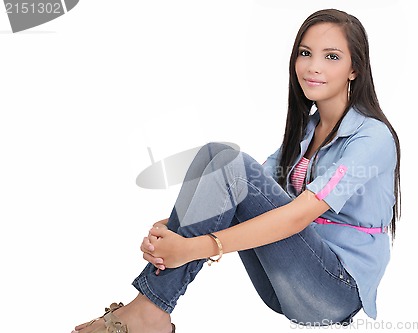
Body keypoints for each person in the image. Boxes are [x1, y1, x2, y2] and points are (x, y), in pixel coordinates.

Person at [73, 8, 401, 333]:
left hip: (333, 291)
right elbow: (229, 194)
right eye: (305, 53)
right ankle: (150, 312)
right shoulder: (305, 133)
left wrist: (192, 246)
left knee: (226, 159)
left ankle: (149, 313)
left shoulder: (372, 138)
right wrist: (174, 231)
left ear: (354, 69)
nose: (313, 66)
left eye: (331, 56)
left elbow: (296, 216)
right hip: (284, 287)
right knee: (222, 165)